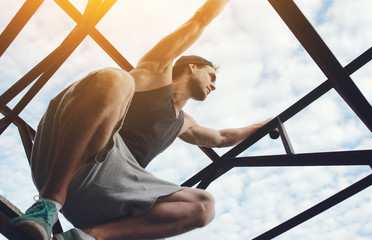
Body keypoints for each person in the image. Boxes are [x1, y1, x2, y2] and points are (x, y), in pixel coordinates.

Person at [13, 0, 269, 239]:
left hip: (110, 188)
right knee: (117, 79)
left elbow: (222, 138)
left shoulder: (185, 122)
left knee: (203, 206)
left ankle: (94, 236)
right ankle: (47, 204)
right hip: (65, 157)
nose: (214, 84)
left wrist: (267, 123)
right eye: (211, 75)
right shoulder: (155, 71)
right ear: (191, 66)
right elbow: (200, 20)